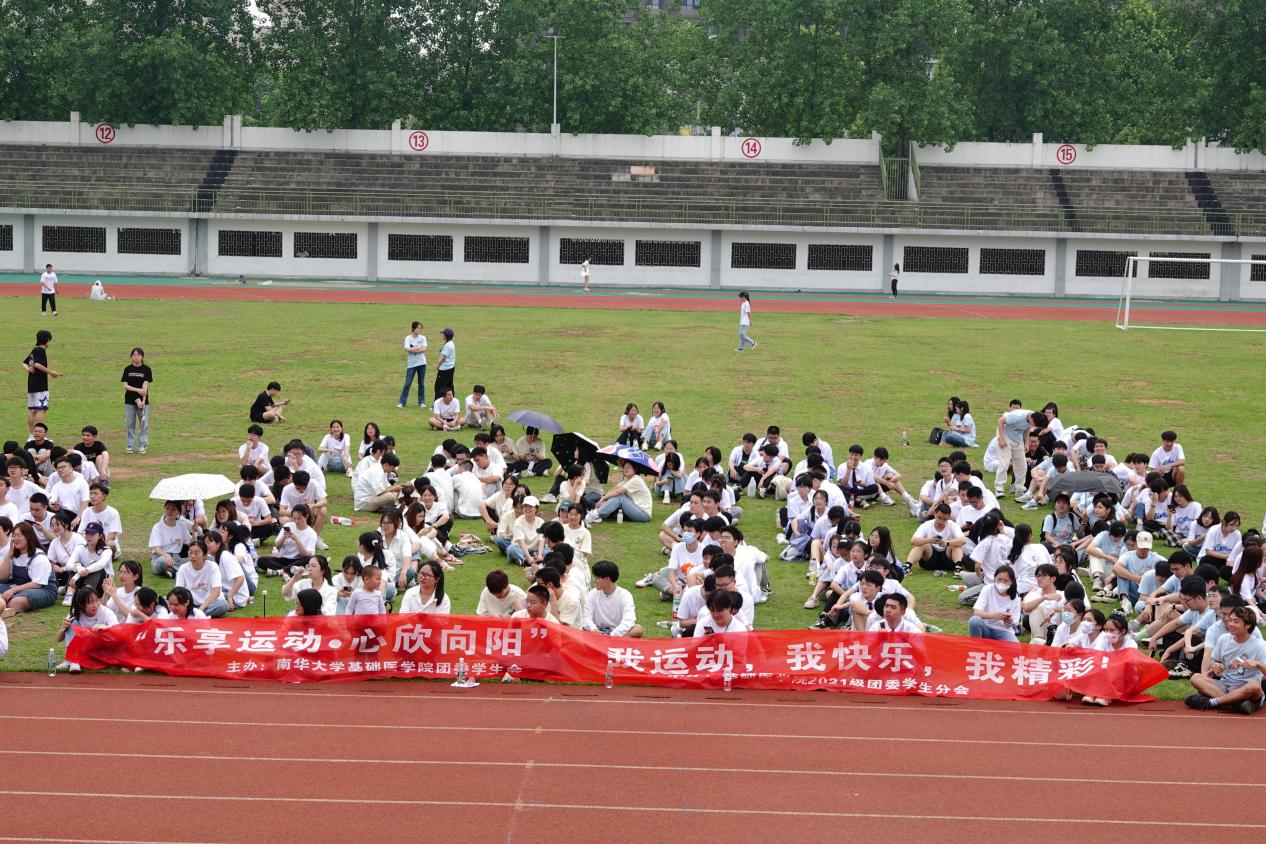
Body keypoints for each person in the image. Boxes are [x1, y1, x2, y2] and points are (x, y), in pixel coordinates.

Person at [56, 586, 119, 672]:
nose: (95, 605)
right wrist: (63, 627)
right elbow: (58, 639)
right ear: (81, 605)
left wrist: (104, 628)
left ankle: (74, 660)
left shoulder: (106, 612)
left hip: (102, 649)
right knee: (70, 624)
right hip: (84, 649)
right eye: (91, 602)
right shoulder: (75, 613)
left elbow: (118, 631)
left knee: (104, 627)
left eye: (97, 600)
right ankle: (73, 660)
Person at [0, 522, 58, 613]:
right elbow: (3, 577)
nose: (15, 538)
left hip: (43, 589)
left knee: (15, 603)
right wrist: (8, 556)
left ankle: (4, 603)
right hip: (18, 587)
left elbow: (37, 584)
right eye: (14, 535)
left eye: (19, 535)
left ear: (28, 537)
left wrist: (13, 590)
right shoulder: (14, 554)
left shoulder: (39, 557)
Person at [582, 560, 643, 637]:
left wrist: (612, 636)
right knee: (581, 626)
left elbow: (629, 620)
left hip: (617, 634)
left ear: (607, 579)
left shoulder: (625, 595)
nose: (594, 580)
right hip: (598, 632)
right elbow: (586, 616)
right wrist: (594, 630)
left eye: (597, 577)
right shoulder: (593, 593)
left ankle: (613, 642)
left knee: (638, 629)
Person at [587, 459, 653, 524]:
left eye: (629, 467)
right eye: (624, 467)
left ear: (635, 469)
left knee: (620, 498)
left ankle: (595, 515)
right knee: (615, 499)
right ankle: (598, 515)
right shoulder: (627, 479)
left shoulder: (636, 479)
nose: (626, 469)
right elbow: (614, 489)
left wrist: (603, 498)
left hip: (643, 514)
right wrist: (604, 499)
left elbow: (618, 492)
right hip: (635, 509)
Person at [968, 563, 1021, 642]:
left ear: (1011, 582)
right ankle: (976, 645)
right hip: (986, 627)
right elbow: (976, 613)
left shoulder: (1016, 598)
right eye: (999, 579)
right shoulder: (987, 589)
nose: (1002, 583)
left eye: (1006, 581)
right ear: (994, 579)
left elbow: (1014, 623)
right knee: (974, 621)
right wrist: (994, 615)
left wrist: (1009, 621)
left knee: (1016, 647)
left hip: (1004, 631)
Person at [175, 541, 227, 618]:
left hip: (209, 604)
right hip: (191, 604)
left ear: (205, 555)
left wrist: (201, 608)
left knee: (223, 605)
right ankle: (195, 614)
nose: (192, 556)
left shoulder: (212, 567)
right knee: (169, 601)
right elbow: (178, 591)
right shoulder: (183, 568)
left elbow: (216, 591)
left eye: (196, 553)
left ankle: (193, 614)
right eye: (190, 553)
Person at [23, 330, 59, 435]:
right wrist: (51, 373)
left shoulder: (35, 350)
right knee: (41, 409)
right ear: (47, 340)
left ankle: (31, 435)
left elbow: (24, 363)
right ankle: (39, 434)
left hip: (31, 384)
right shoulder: (41, 350)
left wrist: (29, 369)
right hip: (40, 385)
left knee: (32, 410)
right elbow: (37, 364)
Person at [120, 347, 152, 454]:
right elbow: (125, 386)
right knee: (130, 423)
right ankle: (130, 446)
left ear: (142, 357)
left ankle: (142, 446)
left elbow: (145, 385)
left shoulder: (146, 369)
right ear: (131, 357)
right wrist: (138, 390)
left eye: (138, 355)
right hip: (129, 401)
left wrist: (143, 401)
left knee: (144, 423)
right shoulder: (127, 369)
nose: (136, 357)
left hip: (143, 402)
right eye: (134, 355)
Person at [397, 321, 428, 409]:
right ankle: (401, 402)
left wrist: (414, 349)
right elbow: (407, 349)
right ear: (413, 328)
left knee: (421, 383)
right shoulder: (408, 338)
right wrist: (417, 348)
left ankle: (421, 402)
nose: (420, 329)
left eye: (420, 328)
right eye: (418, 328)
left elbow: (424, 349)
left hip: (422, 363)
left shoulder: (423, 338)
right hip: (411, 365)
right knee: (408, 383)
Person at [434, 328, 456, 398]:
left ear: (446, 336)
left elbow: (443, 358)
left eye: (443, 334)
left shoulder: (448, 345)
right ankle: (451, 401)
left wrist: (437, 366)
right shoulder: (451, 343)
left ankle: (437, 402)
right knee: (449, 386)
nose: (442, 335)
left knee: (439, 387)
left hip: (444, 370)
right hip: (450, 368)